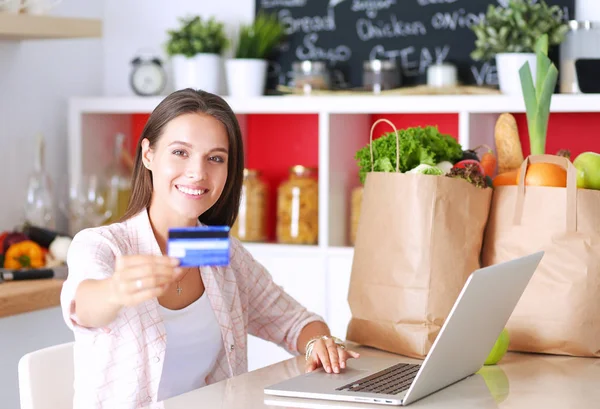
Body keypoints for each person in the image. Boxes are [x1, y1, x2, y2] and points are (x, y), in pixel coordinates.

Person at [60, 88, 360, 409]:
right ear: (148, 154)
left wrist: (318, 343)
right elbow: (84, 307)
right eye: (180, 152)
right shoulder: (103, 245)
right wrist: (116, 290)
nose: (198, 172)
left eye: (215, 158)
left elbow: (294, 321)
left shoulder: (216, 251)